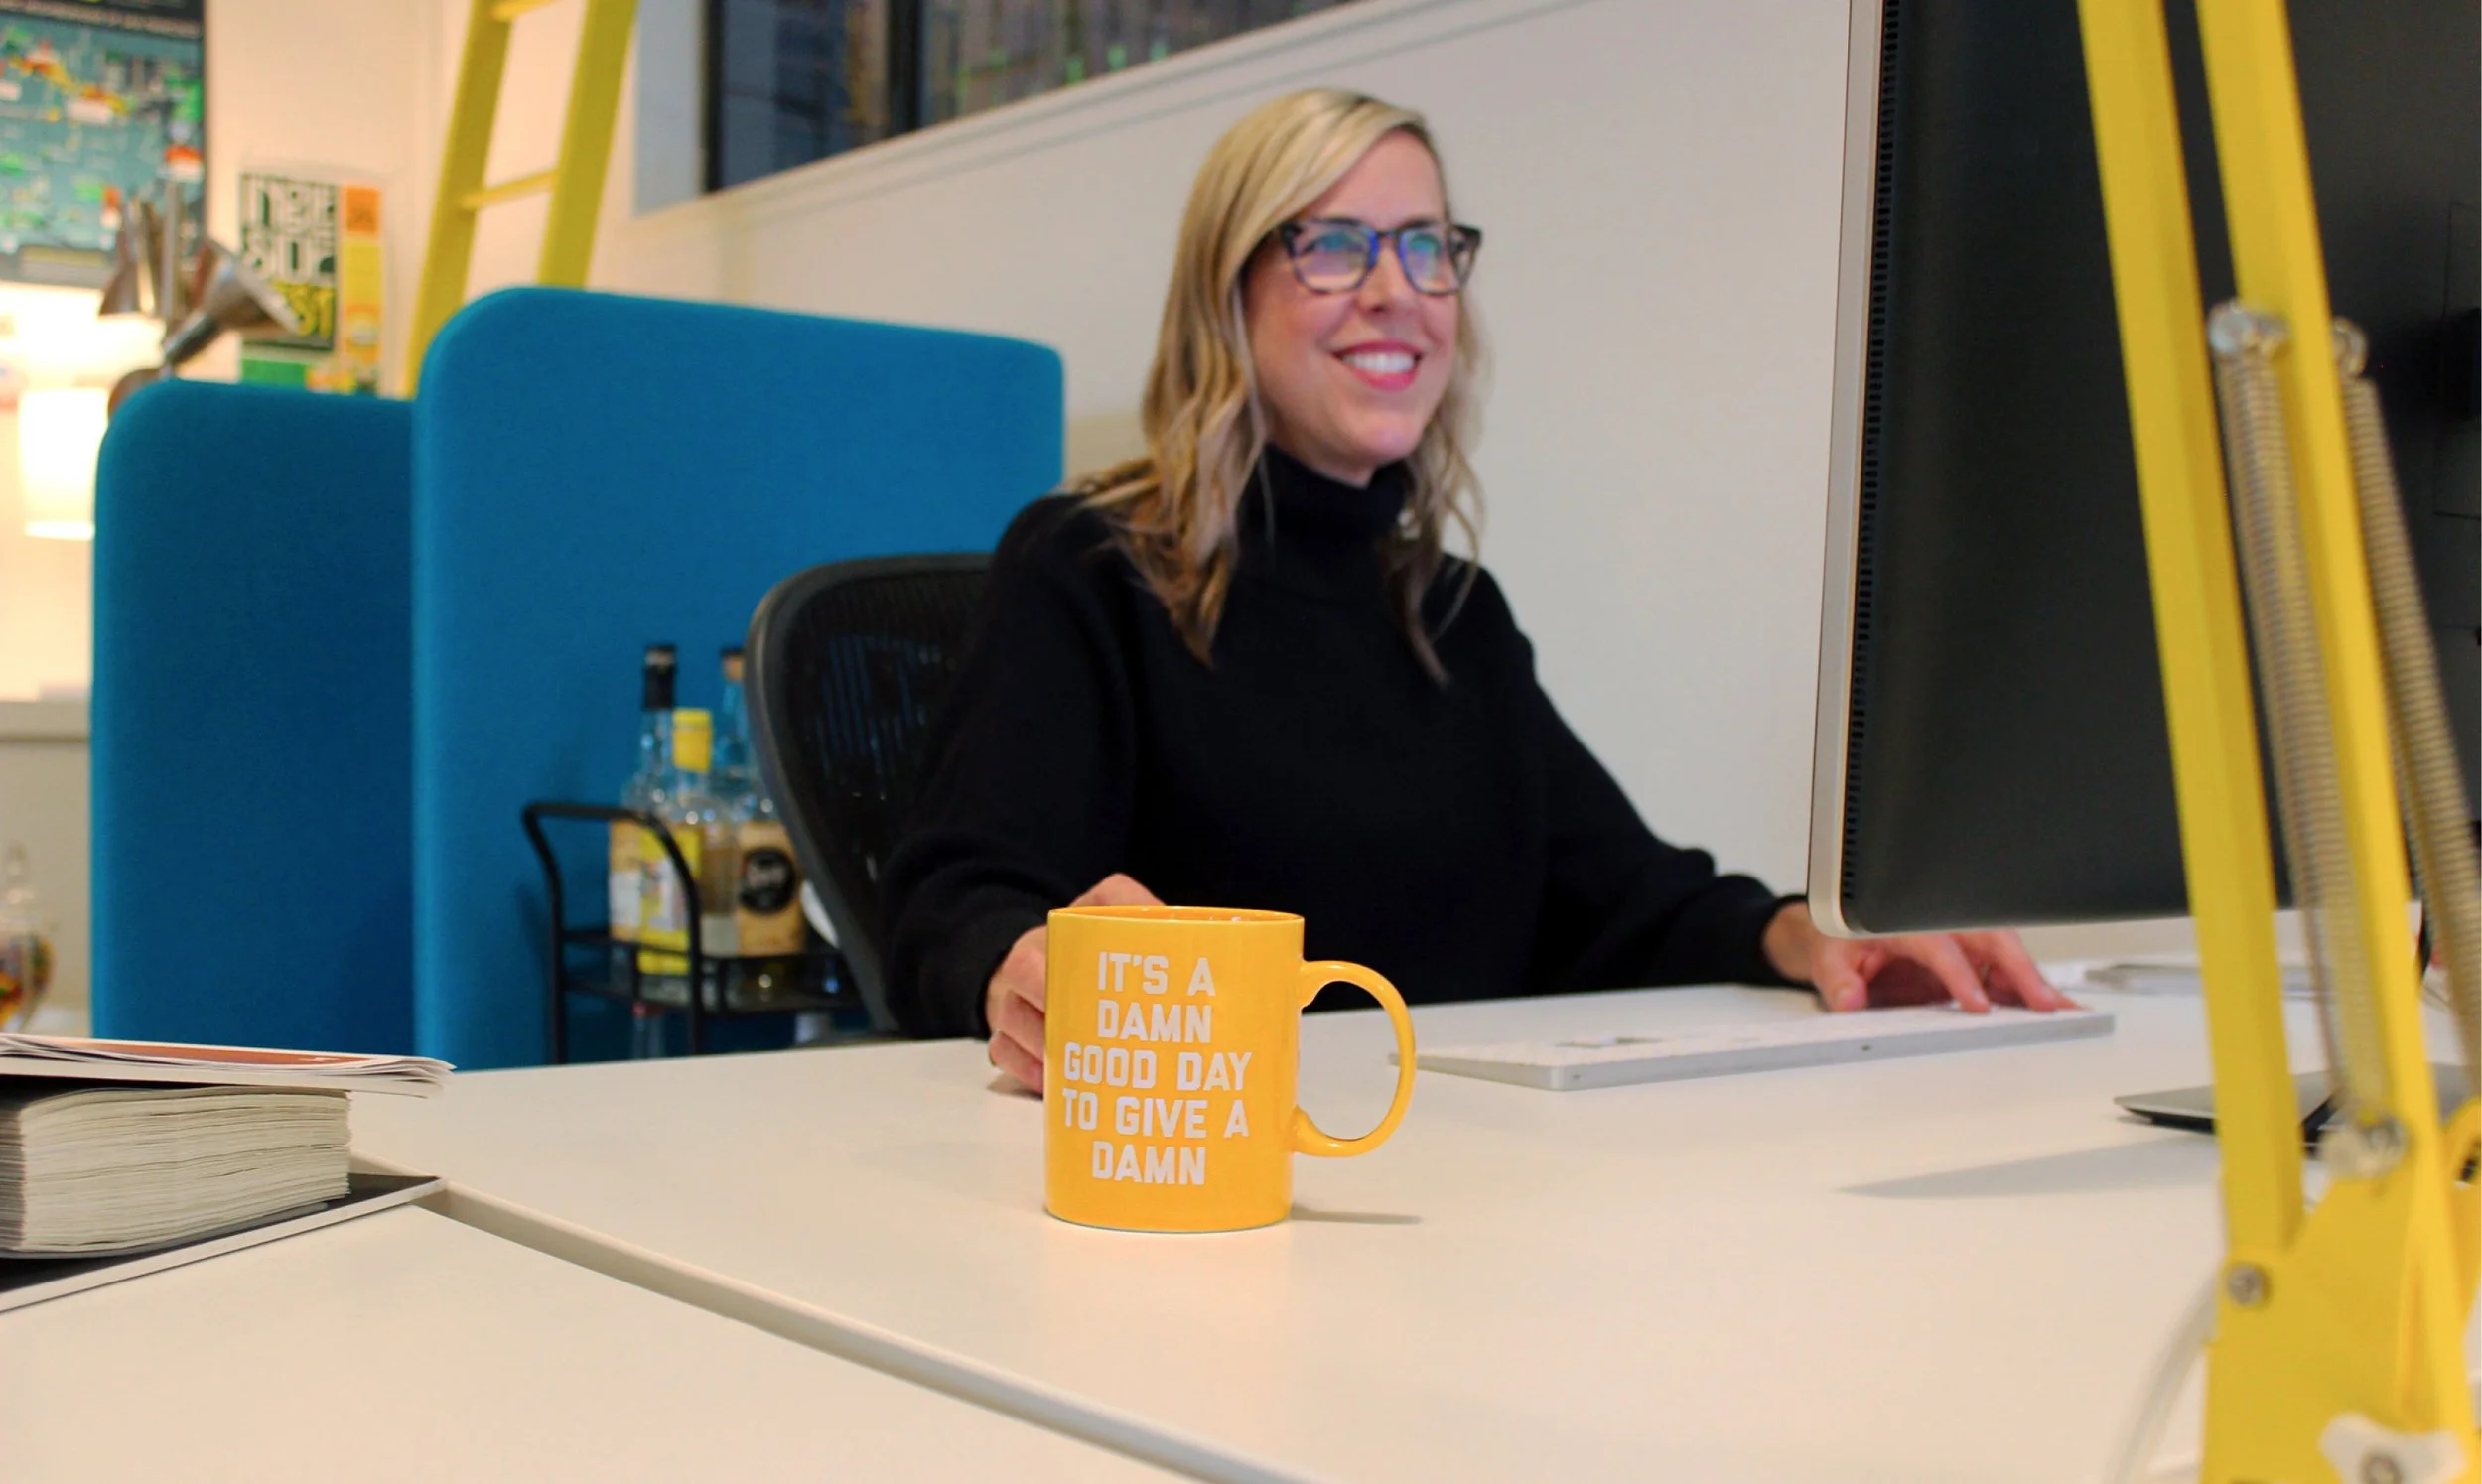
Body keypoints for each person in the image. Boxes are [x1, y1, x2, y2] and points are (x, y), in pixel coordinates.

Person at [882, 89, 2071, 1093]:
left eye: (1426, 246)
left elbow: (1618, 893)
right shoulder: (1092, 565)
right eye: (1332, 244)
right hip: (1215, 1189)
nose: (1396, 290)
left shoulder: (1451, 609)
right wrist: (1023, 959)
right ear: (1227, 295)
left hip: (1451, 1174)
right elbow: (952, 901)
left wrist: (1816, 930)